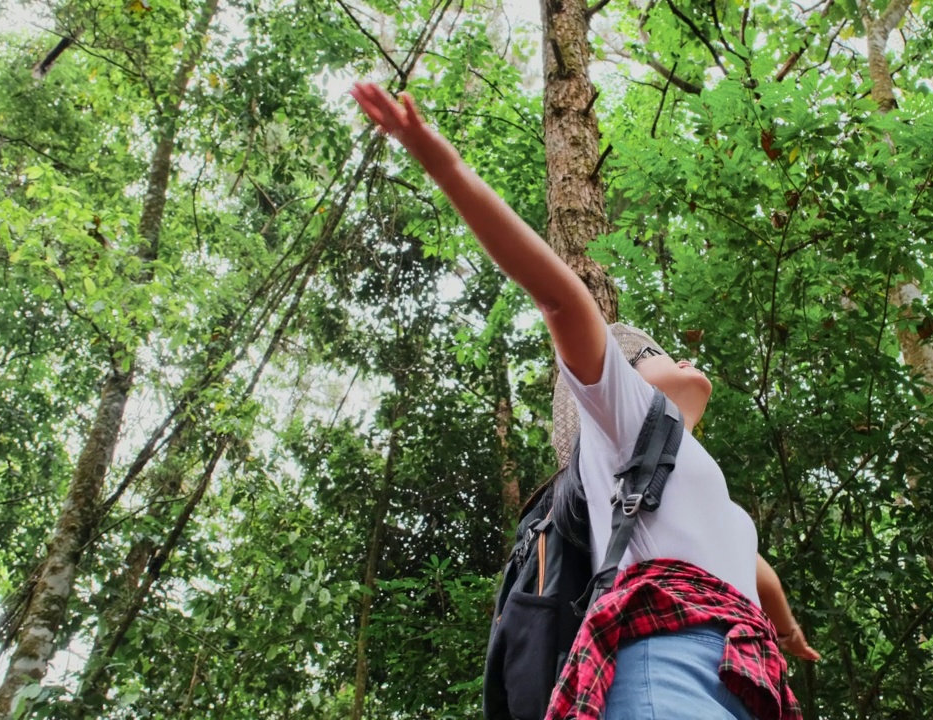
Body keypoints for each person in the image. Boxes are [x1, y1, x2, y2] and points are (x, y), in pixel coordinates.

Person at [350, 82, 818, 720]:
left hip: (744, 677)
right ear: (622, 383)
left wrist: (786, 631)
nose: (678, 359)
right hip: (668, 664)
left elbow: (756, 570)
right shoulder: (625, 424)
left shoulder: (693, 485)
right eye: (652, 355)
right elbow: (561, 298)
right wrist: (441, 162)